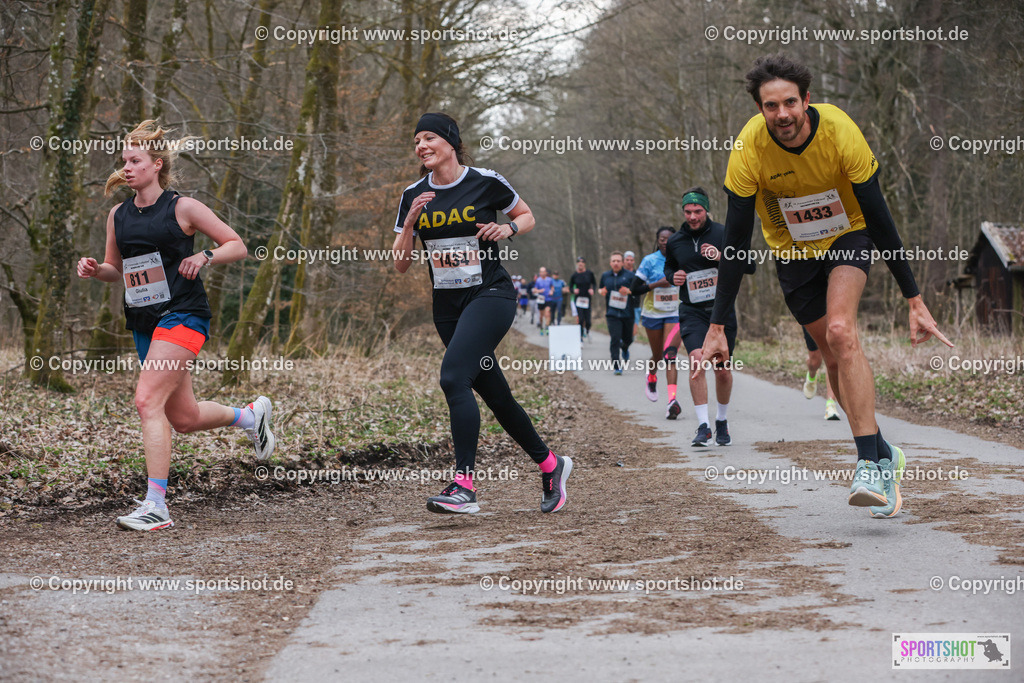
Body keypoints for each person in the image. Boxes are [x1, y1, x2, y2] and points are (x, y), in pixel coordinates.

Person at [698, 54, 952, 518]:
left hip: (848, 235)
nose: (783, 115)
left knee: (840, 331)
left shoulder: (839, 131)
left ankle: (868, 466)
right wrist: (717, 324)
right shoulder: (749, 149)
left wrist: (912, 296)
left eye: (790, 103)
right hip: (793, 253)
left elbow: (879, 216)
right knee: (831, 354)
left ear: (806, 100)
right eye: (771, 106)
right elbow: (735, 243)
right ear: (760, 110)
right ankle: (883, 451)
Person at [76, 120, 275, 531]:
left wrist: (204, 257)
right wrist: (97, 270)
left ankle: (156, 505)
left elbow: (235, 245)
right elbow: (117, 269)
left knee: (147, 401)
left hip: (184, 315)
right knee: (182, 418)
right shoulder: (118, 215)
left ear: (156, 164)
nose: (126, 168)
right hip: (145, 321)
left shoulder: (182, 207)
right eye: (124, 161)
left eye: (135, 160)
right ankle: (251, 417)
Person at [392, 112, 572, 514]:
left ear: (451, 142)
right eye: (416, 141)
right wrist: (408, 226)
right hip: (448, 308)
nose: (421, 146)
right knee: (495, 396)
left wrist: (508, 229)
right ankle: (551, 464)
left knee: (454, 377)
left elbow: (526, 216)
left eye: (428, 138)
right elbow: (400, 264)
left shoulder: (485, 181)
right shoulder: (413, 194)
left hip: (490, 295)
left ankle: (463, 486)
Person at [665, 188, 754, 446]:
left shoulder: (723, 232)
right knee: (696, 361)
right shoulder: (675, 241)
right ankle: (703, 426)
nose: (692, 216)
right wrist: (673, 277)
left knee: (722, 371)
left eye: (698, 211)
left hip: (721, 311)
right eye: (688, 212)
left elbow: (749, 265)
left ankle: (721, 421)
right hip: (691, 310)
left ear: (706, 210)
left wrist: (721, 257)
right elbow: (669, 266)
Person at [631, 226, 683, 419]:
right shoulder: (649, 261)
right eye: (662, 239)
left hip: (674, 313)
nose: (665, 242)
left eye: (669, 239)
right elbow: (635, 289)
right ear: (658, 240)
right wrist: (657, 284)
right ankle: (651, 376)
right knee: (657, 355)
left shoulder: (681, 259)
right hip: (652, 314)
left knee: (670, 354)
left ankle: (672, 401)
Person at [598, 251, 635, 375]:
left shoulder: (630, 275)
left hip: (627, 313)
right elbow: (600, 288)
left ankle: (624, 347)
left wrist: (629, 291)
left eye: (618, 261)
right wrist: (601, 291)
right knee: (614, 339)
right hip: (612, 313)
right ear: (610, 263)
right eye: (613, 261)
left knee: (628, 339)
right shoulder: (605, 276)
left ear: (622, 262)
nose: (616, 263)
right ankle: (616, 365)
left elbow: (637, 290)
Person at [803, 327, 841, 420]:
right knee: (815, 361)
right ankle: (812, 375)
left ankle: (831, 404)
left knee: (832, 360)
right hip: (812, 315)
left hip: (832, 316)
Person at [569, 257, 596, 340]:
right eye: (579, 262)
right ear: (577, 264)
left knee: (588, 321)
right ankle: (580, 337)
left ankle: (587, 330)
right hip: (578, 300)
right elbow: (570, 287)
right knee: (580, 319)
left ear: (584, 264)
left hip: (587, 299)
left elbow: (594, 283)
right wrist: (573, 290)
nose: (580, 263)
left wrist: (592, 289)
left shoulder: (589, 273)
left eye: (582, 262)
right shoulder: (574, 275)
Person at [624, 250, 641, 339]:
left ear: (634, 261)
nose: (629, 262)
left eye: (631, 260)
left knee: (633, 332)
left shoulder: (638, 274)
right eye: (627, 260)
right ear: (624, 261)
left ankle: (627, 346)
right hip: (623, 306)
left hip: (635, 305)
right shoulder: (620, 274)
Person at [533, 266, 553, 335]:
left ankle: (547, 327)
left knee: (547, 313)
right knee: (541, 315)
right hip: (541, 299)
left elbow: (552, 287)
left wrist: (552, 291)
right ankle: (541, 327)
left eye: (543, 271)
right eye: (540, 272)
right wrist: (539, 290)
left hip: (548, 299)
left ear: (546, 272)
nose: (542, 273)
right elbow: (534, 290)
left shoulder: (550, 279)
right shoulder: (538, 280)